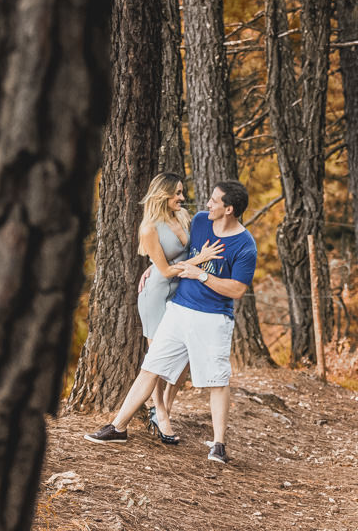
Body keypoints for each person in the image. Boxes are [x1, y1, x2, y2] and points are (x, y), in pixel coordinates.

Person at [85, 179, 257, 464]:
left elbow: (237, 290)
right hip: (178, 310)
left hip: (214, 318)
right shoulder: (201, 221)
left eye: (214, 201)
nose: (207, 204)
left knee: (217, 380)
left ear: (229, 209)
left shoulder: (245, 245)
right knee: (150, 368)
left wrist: (201, 275)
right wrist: (154, 269)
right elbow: (174, 251)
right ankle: (118, 427)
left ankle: (219, 445)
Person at [134, 173, 223, 431]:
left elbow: (185, 255)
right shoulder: (149, 228)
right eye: (177, 194)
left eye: (182, 193)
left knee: (184, 355)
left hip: (181, 294)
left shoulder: (183, 217)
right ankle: (159, 411)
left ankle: (166, 407)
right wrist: (198, 260)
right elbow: (165, 271)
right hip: (157, 297)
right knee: (157, 359)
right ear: (163, 194)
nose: (182, 198)